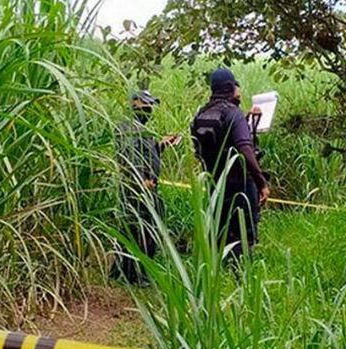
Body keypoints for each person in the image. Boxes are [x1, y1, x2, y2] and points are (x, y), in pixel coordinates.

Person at [190, 68, 270, 262]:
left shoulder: (202, 113)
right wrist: (262, 183)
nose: (239, 91)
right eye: (236, 86)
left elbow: (200, 149)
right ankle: (241, 276)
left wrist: (248, 122)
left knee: (222, 229)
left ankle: (219, 272)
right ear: (229, 87)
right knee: (243, 234)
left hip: (215, 184)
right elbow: (245, 149)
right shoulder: (233, 114)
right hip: (240, 186)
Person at [112, 90, 180, 285]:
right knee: (139, 231)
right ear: (134, 103)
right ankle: (134, 275)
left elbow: (145, 153)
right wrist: (143, 179)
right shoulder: (128, 127)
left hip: (144, 188)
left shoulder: (141, 129)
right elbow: (129, 156)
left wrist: (161, 146)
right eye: (146, 104)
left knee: (140, 229)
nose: (149, 109)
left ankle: (125, 272)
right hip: (137, 189)